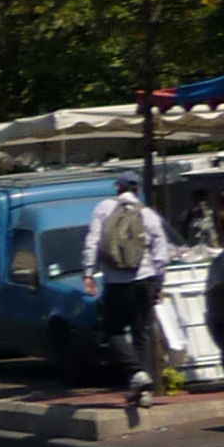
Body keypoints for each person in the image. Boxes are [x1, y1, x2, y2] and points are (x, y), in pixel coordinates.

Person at [82, 169, 173, 403]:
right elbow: (161, 251)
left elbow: (92, 241)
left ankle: (136, 373)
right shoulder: (148, 214)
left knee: (112, 331)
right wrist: (159, 282)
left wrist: (88, 273)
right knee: (141, 333)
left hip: (117, 282)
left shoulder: (104, 208)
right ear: (138, 190)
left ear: (118, 188)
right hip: (146, 279)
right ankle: (144, 392)